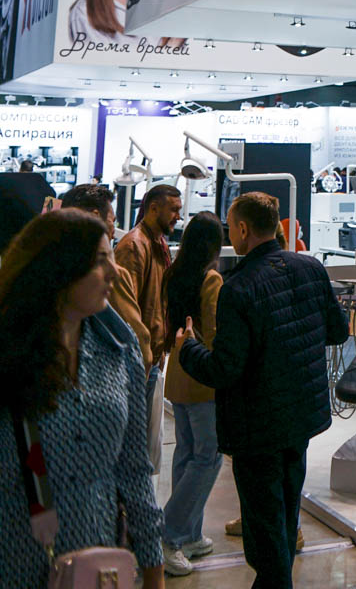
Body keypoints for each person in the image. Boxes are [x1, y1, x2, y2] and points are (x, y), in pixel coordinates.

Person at [177, 192, 348, 589]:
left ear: (242, 229)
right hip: (300, 416)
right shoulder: (311, 268)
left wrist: (188, 348)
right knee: (285, 513)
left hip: (258, 425)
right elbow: (338, 330)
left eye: (231, 228)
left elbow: (225, 369)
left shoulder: (238, 288)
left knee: (265, 530)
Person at [0, 210, 164, 587]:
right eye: (99, 260)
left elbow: (134, 469)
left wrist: (154, 569)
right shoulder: (9, 354)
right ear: (59, 269)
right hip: (15, 563)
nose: (114, 273)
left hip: (96, 567)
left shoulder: (119, 349)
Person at [161, 211, 224, 577]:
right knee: (208, 457)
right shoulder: (210, 278)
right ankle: (170, 534)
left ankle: (191, 535)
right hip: (203, 377)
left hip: (179, 372)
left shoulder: (174, 273)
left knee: (186, 453)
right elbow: (213, 332)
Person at [60, 182, 152, 370]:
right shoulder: (109, 274)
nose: (113, 230)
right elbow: (139, 337)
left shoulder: (48, 269)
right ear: (95, 217)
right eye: (112, 220)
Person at [115, 183, 183, 409]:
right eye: (173, 210)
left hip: (151, 355)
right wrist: (143, 353)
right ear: (153, 208)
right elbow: (126, 310)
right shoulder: (134, 246)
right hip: (138, 360)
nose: (178, 217)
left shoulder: (157, 243)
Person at [0, 164, 54, 253]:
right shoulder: (38, 179)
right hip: (34, 231)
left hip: (9, 231)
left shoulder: (4, 180)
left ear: (20, 169)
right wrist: (48, 222)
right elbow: (52, 196)